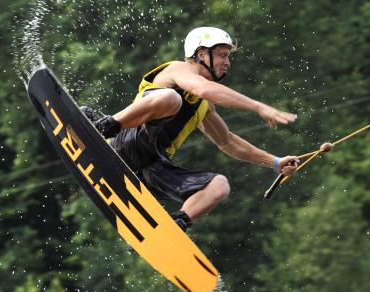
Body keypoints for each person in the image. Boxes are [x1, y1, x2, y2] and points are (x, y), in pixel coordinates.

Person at [82, 26, 299, 232]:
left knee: (219, 185)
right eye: (223, 55)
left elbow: (227, 142)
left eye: (228, 56)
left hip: (152, 172)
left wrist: (274, 162)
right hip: (123, 143)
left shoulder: (204, 106)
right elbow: (202, 88)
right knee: (171, 99)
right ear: (201, 54)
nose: (227, 63)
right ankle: (101, 127)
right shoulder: (178, 69)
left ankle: (175, 225)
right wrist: (257, 106)